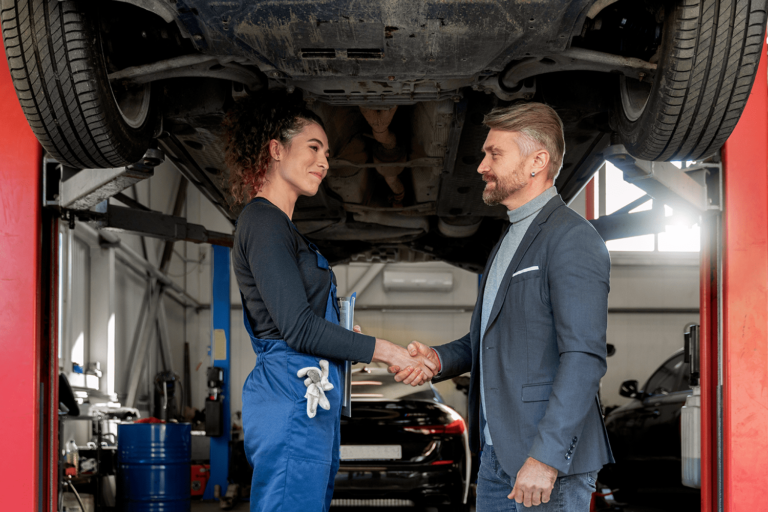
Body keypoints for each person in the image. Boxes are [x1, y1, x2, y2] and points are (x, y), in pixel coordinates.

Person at [391, 102, 614, 511]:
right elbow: (489, 339)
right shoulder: (508, 240)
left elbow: (583, 358)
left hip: (543, 461)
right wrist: (438, 360)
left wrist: (545, 458)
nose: (481, 166)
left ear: (537, 162)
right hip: (496, 456)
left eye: (495, 153)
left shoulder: (571, 239)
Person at [224, 90, 436, 512]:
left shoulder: (283, 229)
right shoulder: (264, 222)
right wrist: (387, 351)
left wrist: (341, 337)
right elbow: (298, 328)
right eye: (313, 148)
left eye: (327, 152)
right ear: (276, 150)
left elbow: (304, 322)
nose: (324, 161)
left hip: (307, 396)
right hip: (289, 397)